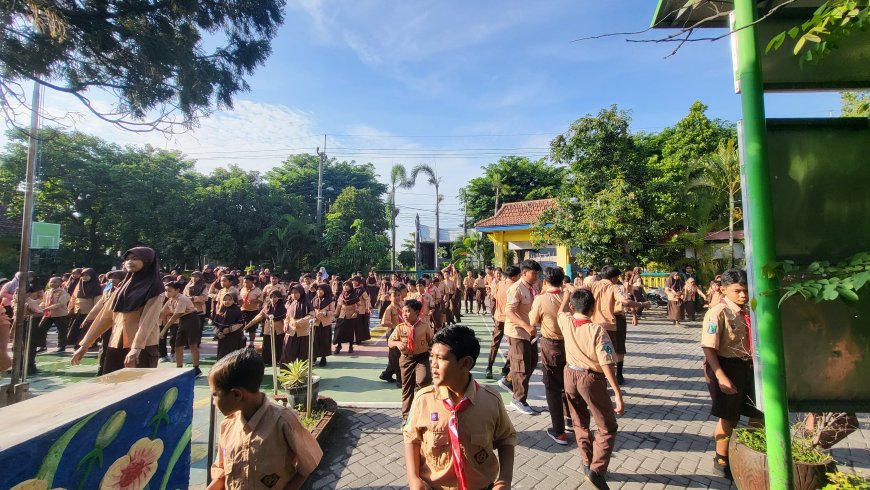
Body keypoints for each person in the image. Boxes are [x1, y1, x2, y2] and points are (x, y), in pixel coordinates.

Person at [402, 325, 517, 490]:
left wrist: (505, 479)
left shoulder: (490, 401)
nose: (433, 364)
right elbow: (412, 439)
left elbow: (506, 438)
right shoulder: (423, 400)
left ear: (465, 363)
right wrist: (413, 479)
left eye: (440, 358)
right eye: (431, 356)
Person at [208, 348, 322, 490]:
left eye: (215, 395)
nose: (213, 402)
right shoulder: (227, 425)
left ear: (236, 394)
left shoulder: (283, 421)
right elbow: (222, 471)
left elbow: (308, 463)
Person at [558, 287, 624, 490]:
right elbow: (606, 363)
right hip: (590, 378)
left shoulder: (566, 321)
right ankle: (596, 470)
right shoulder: (596, 330)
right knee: (607, 426)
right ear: (594, 308)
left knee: (579, 421)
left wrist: (567, 295)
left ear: (572, 306)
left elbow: (561, 311)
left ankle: (586, 462)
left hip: (569, 374)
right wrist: (618, 393)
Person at [701, 268, 763, 480]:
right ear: (724, 289)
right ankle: (721, 459)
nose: (743, 295)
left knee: (758, 412)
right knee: (729, 416)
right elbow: (709, 348)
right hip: (725, 366)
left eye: (745, 290)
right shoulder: (717, 313)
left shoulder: (751, 310)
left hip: (748, 365)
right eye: (737, 290)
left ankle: (749, 453)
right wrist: (721, 377)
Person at [72, 247, 164, 373]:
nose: (129, 262)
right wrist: (85, 345)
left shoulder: (155, 288)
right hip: (116, 342)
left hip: (143, 346)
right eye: (127, 259)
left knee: (137, 388)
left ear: (148, 261)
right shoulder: (123, 287)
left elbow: (148, 321)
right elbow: (106, 316)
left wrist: (136, 348)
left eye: (135, 259)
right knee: (112, 384)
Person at [588, 265, 651, 385]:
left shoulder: (592, 285)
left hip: (594, 323)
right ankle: (618, 375)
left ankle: (601, 377)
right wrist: (642, 304)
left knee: (598, 350)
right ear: (613, 278)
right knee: (617, 348)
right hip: (613, 322)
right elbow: (625, 301)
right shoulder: (614, 288)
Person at [531, 266, 572, 445]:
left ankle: (559, 431)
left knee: (552, 388)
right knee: (568, 385)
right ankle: (569, 419)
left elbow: (533, 321)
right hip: (571, 345)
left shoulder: (541, 299)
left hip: (552, 345)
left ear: (545, 281)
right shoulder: (569, 297)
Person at [504, 259, 542, 415]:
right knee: (522, 367)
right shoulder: (516, 289)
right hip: (518, 332)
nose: (536, 277)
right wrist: (526, 326)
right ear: (524, 272)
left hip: (529, 332)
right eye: (533, 273)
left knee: (532, 361)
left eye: (537, 274)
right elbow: (509, 312)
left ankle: (508, 381)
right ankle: (519, 399)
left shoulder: (532, 287)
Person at [387, 299, 433, 421]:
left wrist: (434, 350)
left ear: (417, 312)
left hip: (421, 358)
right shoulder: (400, 328)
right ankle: (406, 417)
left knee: (424, 380)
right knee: (407, 388)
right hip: (406, 359)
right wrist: (397, 343)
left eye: (408, 311)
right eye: (403, 311)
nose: (405, 314)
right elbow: (390, 342)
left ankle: (420, 408)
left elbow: (432, 341)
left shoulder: (425, 326)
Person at [161, 281, 203, 377]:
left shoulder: (182, 298)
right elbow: (162, 312)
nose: (167, 293)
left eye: (169, 290)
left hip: (192, 319)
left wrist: (164, 329)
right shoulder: (171, 300)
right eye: (166, 290)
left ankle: (196, 368)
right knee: (178, 345)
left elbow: (176, 315)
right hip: (183, 321)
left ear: (177, 290)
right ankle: (179, 368)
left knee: (193, 345)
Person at [243, 290, 286, 366]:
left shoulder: (283, 308)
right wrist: (248, 325)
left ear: (279, 298)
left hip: (279, 331)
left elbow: (285, 319)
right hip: (268, 330)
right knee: (267, 345)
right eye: (271, 297)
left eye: (275, 297)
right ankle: (267, 360)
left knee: (279, 345)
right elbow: (259, 317)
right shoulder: (267, 307)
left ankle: (279, 360)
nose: (273, 299)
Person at [488, 266, 516, 382]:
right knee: (513, 346)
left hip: (499, 317)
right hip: (509, 319)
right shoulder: (512, 287)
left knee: (495, 343)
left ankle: (489, 367)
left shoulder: (499, 284)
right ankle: (505, 369)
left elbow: (494, 297)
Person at [66, 268, 103, 349]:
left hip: (90, 313)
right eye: (83, 275)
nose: (84, 277)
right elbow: (73, 298)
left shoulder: (96, 287)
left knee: (87, 329)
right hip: (78, 312)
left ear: (92, 276)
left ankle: (87, 344)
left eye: (87, 275)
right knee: (76, 329)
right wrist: (70, 309)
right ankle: (77, 343)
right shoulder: (79, 285)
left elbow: (98, 302)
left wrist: (94, 313)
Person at [378, 287, 405, 387]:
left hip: (401, 333)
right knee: (396, 356)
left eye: (399, 295)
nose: (397, 297)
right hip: (393, 333)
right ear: (389, 297)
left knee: (393, 356)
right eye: (395, 296)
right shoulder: (390, 308)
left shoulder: (401, 306)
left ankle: (387, 374)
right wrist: (395, 326)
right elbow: (384, 322)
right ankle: (399, 379)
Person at [38, 276, 71, 353]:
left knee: (62, 330)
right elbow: (43, 302)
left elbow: (61, 303)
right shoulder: (47, 292)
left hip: (60, 314)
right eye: (50, 282)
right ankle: (42, 345)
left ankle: (61, 346)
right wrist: (39, 308)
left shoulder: (63, 292)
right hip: (48, 314)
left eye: (54, 282)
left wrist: (49, 308)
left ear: (60, 283)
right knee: (41, 328)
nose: (52, 283)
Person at [282, 284, 312, 364]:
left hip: (302, 333)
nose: (294, 295)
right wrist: (285, 323)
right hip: (291, 331)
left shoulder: (307, 303)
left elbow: (311, 316)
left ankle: (301, 373)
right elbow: (287, 316)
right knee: (288, 351)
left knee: (302, 353)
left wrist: (299, 321)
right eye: (292, 293)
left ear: (301, 293)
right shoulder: (291, 303)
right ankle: (288, 372)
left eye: (296, 292)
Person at [214, 292, 245, 360]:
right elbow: (216, 325)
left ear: (234, 300)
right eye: (225, 300)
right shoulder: (221, 309)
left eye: (229, 299)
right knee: (222, 356)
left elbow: (240, 323)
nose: (227, 301)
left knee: (233, 356)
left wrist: (229, 329)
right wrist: (218, 333)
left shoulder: (236, 310)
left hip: (234, 337)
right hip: (223, 337)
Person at [310, 284, 334, 367]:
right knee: (314, 340)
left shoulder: (330, 300)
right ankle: (313, 357)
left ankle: (323, 358)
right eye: (318, 290)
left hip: (325, 324)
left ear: (325, 291)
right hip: (315, 323)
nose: (319, 291)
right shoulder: (314, 300)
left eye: (321, 290)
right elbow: (310, 310)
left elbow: (333, 312)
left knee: (324, 341)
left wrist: (325, 313)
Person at [240, 275, 264, 348]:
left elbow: (261, 300)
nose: (246, 284)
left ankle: (251, 343)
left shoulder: (258, 290)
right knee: (240, 326)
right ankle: (242, 339)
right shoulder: (242, 289)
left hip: (253, 311)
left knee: (252, 328)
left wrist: (254, 301)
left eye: (247, 282)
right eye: (244, 282)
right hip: (243, 310)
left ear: (252, 282)